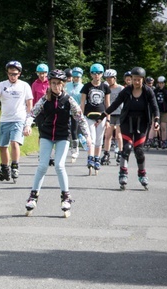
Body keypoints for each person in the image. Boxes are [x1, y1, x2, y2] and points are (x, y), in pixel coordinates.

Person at [23, 69, 91, 218]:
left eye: (58, 84)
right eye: (53, 83)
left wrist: (88, 136)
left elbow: (80, 118)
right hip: (46, 135)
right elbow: (32, 113)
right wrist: (27, 125)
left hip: (62, 136)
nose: (55, 86)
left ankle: (66, 197)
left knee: (60, 165)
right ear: (49, 84)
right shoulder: (44, 99)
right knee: (42, 165)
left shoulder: (68, 100)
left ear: (63, 84)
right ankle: (33, 196)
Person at [100, 66, 160, 190]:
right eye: (134, 79)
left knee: (139, 150)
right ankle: (123, 173)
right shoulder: (126, 91)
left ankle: (142, 174)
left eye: (139, 80)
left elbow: (155, 107)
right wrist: (103, 115)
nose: (136, 82)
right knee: (126, 148)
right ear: (131, 79)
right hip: (127, 122)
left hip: (142, 123)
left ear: (142, 79)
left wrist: (157, 120)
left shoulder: (148, 91)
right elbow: (115, 104)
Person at [0, 60, 33, 182]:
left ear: (19, 74)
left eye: (14, 74)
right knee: (2, 146)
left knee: (14, 143)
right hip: (5, 120)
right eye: (10, 74)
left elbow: (30, 106)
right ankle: (5, 169)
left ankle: (15, 166)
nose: (12, 76)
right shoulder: (2, 85)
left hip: (19, 119)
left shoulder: (24, 86)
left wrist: (28, 124)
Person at [80, 63, 110, 175]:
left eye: (99, 73)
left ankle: (97, 158)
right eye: (94, 73)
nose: (96, 75)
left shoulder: (105, 87)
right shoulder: (86, 86)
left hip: (101, 116)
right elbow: (82, 103)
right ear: (91, 74)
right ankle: (90, 158)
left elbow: (108, 104)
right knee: (91, 139)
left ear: (102, 74)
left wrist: (108, 120)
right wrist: (81, 117)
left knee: (99, 140)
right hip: (89, 116)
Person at [101, 69, 123, 165]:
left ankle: (120, 153)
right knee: (107, 135)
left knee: (118, 135)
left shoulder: (121, 88)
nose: (109, 81)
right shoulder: (105, 88)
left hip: (119, 113)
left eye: (110, 79)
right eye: (107, 79)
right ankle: (106, 153)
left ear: (115, 78)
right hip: (109, 114)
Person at [65, 66, 84, 162]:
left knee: (74, 131)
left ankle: (75, 151)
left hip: (76, 111)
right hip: (65, 110)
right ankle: (64, 150)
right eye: (74, 77)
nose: (76, 79)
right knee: (65, 130)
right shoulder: (67, 85)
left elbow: (84, 101)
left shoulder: (83, 87)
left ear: (81, 77)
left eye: (78, 77)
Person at [154, 76, 167, 148]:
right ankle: (155, 140)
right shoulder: (155, 90)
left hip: (164, 111)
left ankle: (164, 141)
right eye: (159, 83)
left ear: (164, 83)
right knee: (155, 126)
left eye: (162, 83)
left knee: (164, 127)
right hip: (157, 111)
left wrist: (163, 90)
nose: (161, 84)